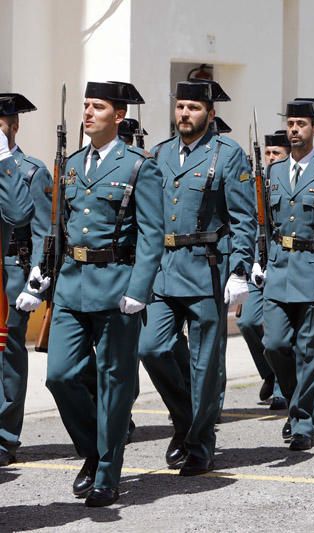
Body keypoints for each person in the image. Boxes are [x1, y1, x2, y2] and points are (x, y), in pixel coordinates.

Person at [24, 81, 162, 506]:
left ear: (118, 116)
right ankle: (92, 450)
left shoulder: (139, 166)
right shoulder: (71, 164)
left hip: (116, 286)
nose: (87, 113)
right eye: (85, 106)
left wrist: (140, 288)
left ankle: (107, 472)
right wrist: (41, 270)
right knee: (60, 376)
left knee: (115, 382)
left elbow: (153, 234)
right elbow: (57, 226)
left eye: (97, 107)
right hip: (70, 285)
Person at [138, 79, 255, 476]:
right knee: (152, 347)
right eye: (181, 107)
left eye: (193, 107)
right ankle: (184, 417)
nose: (184, 114)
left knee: (206, 365)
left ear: (210, 113)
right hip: (164, 267)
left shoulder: (228, 155)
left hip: (207, 268)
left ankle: (200, 441)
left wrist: (240, 269)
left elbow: (243, 219)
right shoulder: (160, 153)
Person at [259, 98, 314, 451]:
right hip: (278, 269)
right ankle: (297, 404)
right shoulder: (273, 172)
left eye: (301, 124)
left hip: (313, 268)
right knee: (273, 344)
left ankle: (303, 421)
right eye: (291, 124)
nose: (294, 130)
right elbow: (267, 224)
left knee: (310, 352)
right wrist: (260, 260)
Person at [237, 130, 289, 407]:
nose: (270, 158)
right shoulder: (256, 182)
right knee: (247, 322)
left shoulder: (290, 182)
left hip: (282, 263)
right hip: (257, 262)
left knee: (275, 331)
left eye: (275, 153)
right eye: (267, 153)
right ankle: (269, 372)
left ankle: (282, 386)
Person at [0, 94, 38, 468]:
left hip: (10, 270)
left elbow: (20, 213)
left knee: (7, 355)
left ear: (14, 125)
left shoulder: (27, 169)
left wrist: (4, 163)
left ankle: (4, 435)